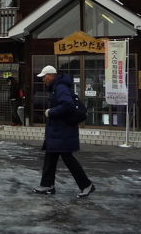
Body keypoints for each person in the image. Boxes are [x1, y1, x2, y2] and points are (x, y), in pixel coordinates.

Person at [33, 65, 95, 198]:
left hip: (63, 130)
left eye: (44, 77)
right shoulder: (57, 87)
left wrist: (51, 112)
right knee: (50, 157)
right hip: (58, 131)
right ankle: (47, 185)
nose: (43, 80)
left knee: (68, 158)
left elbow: (68, 105)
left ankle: (86, 185)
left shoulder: (60, 87)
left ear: (50, 75)